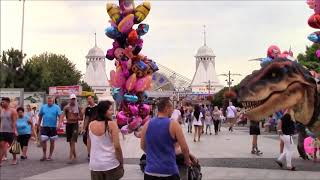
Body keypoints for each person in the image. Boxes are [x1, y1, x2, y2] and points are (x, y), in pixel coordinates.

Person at [140, 98, 191, 180]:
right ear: (166, 108)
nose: (173, 110)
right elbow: (184, 148)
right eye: (172, 108)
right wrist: (187, 160)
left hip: (150, 172)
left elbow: (142, 146)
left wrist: (154, 155)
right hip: (169, 172)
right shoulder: (174, 124)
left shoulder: (147, 124)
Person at [88, 100, 124, 180]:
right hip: (110, 164)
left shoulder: (91, 124)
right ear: (104, 111)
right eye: (110, 110)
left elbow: (89, 146)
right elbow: (117, 147)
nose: (112, 112)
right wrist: (121, 161)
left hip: (95, 165)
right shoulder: (112, 124)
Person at [37, 96, 63, 161]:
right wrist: (38, 124)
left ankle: (50, 156)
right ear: (47, 101)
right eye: (48, 101)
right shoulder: (43, 107)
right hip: (45, 126)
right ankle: (44, 155)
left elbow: (60, 116)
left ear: (53, 101)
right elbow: (40, 116)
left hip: (53, 127)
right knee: (43, 141)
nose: (49, 102)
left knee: (52, 142)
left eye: (51, 101)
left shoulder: (57, 107)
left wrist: (59, 124)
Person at [63, 94, 83, 164]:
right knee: (70, 142)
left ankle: (70, 157)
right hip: (68, 124)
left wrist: (74, 117)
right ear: (70, 99)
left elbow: (81, 117)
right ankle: (75, 155)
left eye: (74, 99)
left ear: (75, 99)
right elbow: (63, 115)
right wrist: (60, 122)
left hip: (75, 124)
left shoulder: (78, 107)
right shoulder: (66, 107)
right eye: (72, 99)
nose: (73, 100)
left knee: (72, 140)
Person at [0, 97, 18, 166]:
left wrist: (15, 131)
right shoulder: (1, 110)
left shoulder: (13, 111)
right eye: (2, 102)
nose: (2, 103)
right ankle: (0, 161)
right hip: (2, 131)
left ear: (7, 102)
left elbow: (14, 122)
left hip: (10, 131)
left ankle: (14, 159)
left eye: (3, 102)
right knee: (1, 146)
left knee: (13, 146)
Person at [83, 95, 97, 160]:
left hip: (97, 126)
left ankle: (95, 153)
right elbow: (86, 118)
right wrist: (84, 128)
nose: (89, 100)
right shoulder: (87, 109)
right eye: (88, 99)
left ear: (93, 99)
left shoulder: (97, 107)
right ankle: (89, 154)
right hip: (89, 126)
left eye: (90, 99)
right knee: (87, 140)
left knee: (96, 140)